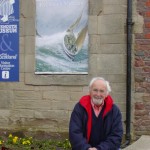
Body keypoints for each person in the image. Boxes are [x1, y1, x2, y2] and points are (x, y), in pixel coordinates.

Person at [69, 77, 123, 150]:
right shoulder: (80, 108)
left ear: (106, 93)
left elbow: (116, 136)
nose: (98, 94)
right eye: (95, 90)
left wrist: (99, 149)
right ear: (90, 91)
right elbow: (74, 133)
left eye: (101, 91)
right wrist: (86, 148)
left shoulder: (114, 110)